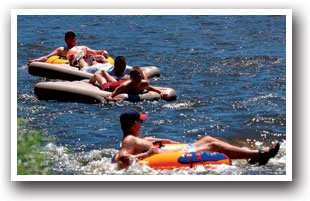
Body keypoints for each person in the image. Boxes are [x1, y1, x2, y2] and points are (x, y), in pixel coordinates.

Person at [115, 108, 280, 169]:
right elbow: (123, 160)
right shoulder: (129, 140)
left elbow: (168, 143)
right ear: (135, 123)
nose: (142, 124)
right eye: (141, 121)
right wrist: (147, 154)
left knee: (207, 138)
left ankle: (246, 154)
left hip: (176, 150)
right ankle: (258, 155)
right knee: (213, 145)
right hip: (164, 157)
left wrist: (168, 143)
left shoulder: (139, 138)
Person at [27, 30, 109, 66]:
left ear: (76, 38)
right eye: (68, 37)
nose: (71, 38)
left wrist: (104, 51)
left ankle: (109, 69)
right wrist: (35, 60)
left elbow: (95, 52)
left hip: (87, 59)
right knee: (80, 57)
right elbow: (47, 57)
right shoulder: (62, 49)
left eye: (72, 36)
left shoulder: (83, 47)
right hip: (75, 61)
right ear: (65, 40)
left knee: (99, 57)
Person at [89, 67, 166, 101]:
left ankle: (105, 73)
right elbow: (110, 97)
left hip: (120, 82)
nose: (137, 79)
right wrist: (116, 99)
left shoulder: (143, 83)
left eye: (139, 77)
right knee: (104, 82)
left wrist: (160, 92)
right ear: (131, 77)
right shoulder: (125, 86)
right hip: (112, 87)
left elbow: (150, 88)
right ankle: (97, 75)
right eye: (135, 77)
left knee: (114, 81)